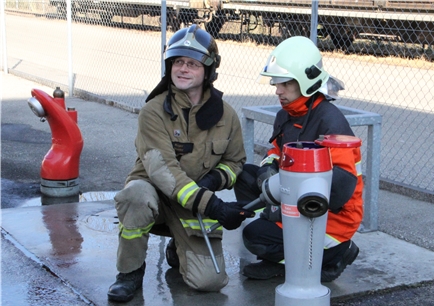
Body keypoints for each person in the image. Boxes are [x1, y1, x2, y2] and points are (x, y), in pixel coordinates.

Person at [107, 24, 255, 303]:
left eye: (192, 64)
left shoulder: (227, 116)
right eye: (177, 62)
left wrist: (213, 180)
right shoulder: (153, 111)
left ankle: (179, 247)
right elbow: (162, 171)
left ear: (209, 71)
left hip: (194, 199)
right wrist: (215, 205)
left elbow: (235, 162)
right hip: (156, 197)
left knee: (210, 282)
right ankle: (129, 274)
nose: (183, 69)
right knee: (134, 196)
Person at [234, 36, 364, 282]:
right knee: (245, 177)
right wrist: (268, 170)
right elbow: (275, 150)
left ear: (306, 81)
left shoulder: (331, 123)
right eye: (276, 82)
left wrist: (284, 194)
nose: (277, 90)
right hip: (295, 200)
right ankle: (284, 242)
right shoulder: (288, 114)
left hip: (331, 219)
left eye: (285, 83)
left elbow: (339, 191)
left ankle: (333, 255)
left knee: (254, 237)